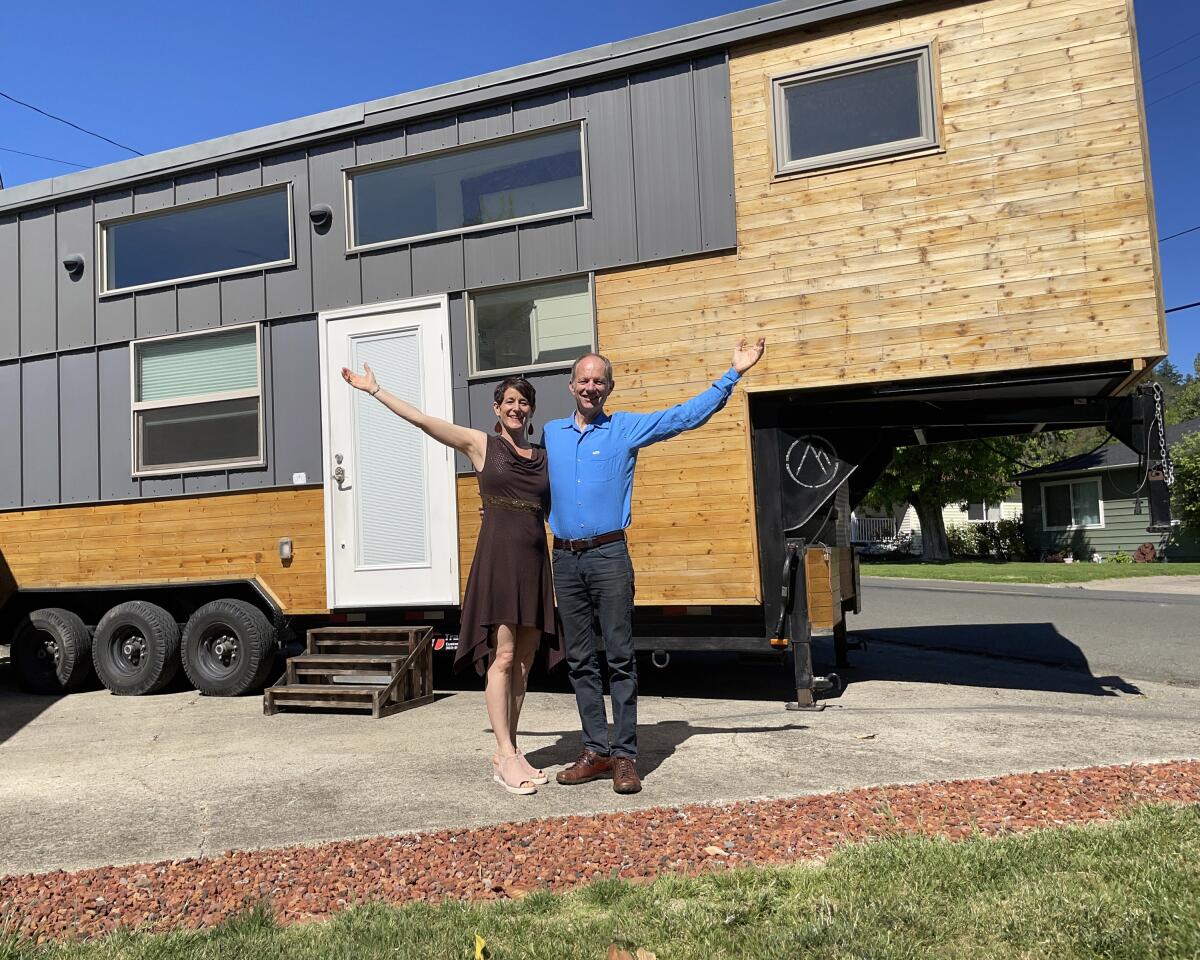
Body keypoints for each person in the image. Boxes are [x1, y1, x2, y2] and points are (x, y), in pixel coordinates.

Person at [544, 337, 766, 794]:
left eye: (598, 381)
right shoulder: (550, 435)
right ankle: (595, 750)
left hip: (608, 556)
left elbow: (683, 417)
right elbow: (521, 474)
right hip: (564, 559)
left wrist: (734, 373)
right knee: (581, 660)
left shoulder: (624, 429)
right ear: (570, 386)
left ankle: (624, 756)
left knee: (621, 659)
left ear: (608, 388)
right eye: (583, 380)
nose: (591, 387)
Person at [341, 364, 562, 796]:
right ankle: (502, 754)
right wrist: (376, 389)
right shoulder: (482, 444)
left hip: (535, 564)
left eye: (523, 402)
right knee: (504, 655)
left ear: (531, 410)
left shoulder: (542, 456)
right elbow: (426, 422)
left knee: (525, 660)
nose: (517, 408)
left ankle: (513, 749)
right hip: (498, 562)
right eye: (509, 401)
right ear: (497, 408)